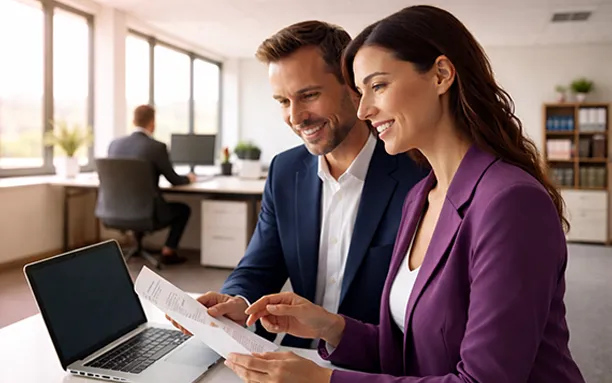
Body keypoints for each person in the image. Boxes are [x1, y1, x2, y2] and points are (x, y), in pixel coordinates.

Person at [222, 5, 586, 383]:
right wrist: (330, 326)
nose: (364, 108)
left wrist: (321, 381)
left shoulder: (510, 202)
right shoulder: (423, 196)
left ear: (442, 75)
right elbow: (409, 350)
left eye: (378, 86)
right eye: (362, 91)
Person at [168, 21, 426, 348]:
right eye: (283, 101)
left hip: (378, 361)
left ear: (353, 86)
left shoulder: (417, 172)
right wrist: (236, 300)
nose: (295, 116)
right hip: (299, 354)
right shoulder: (286, 170)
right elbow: (260, 266)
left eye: (308, 95)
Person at [108, 104, 196, 265]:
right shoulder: (156, 147)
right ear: (152, 123)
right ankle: (169, 251)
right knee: (183, 210)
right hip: (147, 213)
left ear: (133, 121)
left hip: (114, 211)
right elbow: (174, 180)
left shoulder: (114, 145)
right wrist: (189, 178)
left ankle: (139, 245)